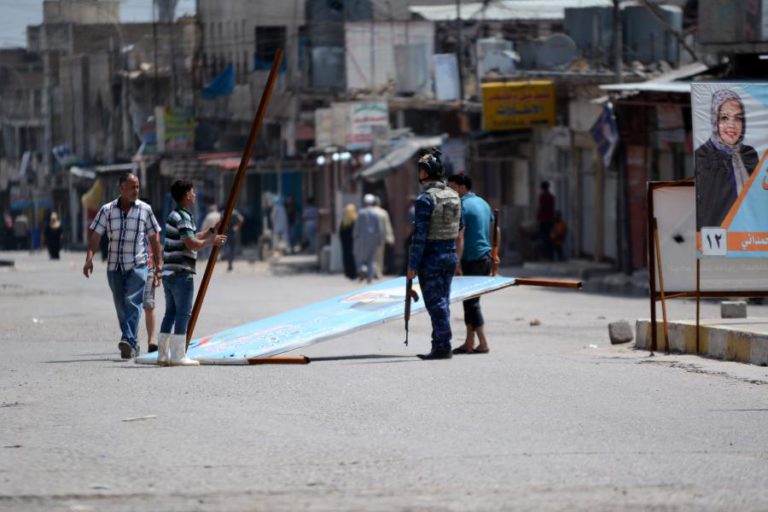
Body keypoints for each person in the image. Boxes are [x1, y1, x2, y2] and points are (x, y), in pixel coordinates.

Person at [83, 173, 162, 359]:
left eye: (137, 187)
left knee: (133, 301)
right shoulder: (107, 210)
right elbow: (95, 235)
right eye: (132, 187)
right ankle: (132, 343)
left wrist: (158, 264)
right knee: (121, 306)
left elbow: (154, 238)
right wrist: (89, 258)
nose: (136, 191)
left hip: (138, 265)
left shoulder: (145, 210)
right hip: (114, 267)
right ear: (121, 188)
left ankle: (127, 339)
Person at [157, 179, 226, 366]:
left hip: (169, 273)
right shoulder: (184, 217)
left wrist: (211, 231)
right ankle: (178, 355)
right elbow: (191, 243)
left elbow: (193, 236)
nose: (195, 195)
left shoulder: (176, 215)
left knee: (170, 313)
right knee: (182, 313)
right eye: (193, 192)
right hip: (181, 272)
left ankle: (162, 354)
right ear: (187, 195)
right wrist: (212, 241)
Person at [407, 148, 461, 360]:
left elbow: (419, 236)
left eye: (421, 170)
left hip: (431, 258)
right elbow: (460, 225)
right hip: (449, 254)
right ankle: (438, 343)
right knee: (443, 301)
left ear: (429, 172)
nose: (419, 174)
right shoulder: (454, 196)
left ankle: (443, 345)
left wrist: (412, 265)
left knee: (434, 303)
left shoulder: (425, 200)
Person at [447, 174, 498, 355]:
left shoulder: (462, 205)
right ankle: (469, 342)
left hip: (471, 259)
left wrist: (456, 262)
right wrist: (495, 253)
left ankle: (483, 342)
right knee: (469, 301)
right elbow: (495, 228)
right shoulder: (483, 203)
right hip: (485, 257)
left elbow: (459, 237)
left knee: (472, 302)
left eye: (452, 187)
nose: (450, 190)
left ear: (462, 187)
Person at [695, 89, 758, 229]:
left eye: (738, 118)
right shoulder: (703, 156)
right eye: (724, 118)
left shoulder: (749, 154)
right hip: (720, 235)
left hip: (751, 232)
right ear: (714, 120)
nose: (732, 125)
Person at [353, 194, 384, 283]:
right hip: (373, 239)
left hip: (362, 239)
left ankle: (362, 271)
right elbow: (379, 227)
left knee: (361, 258)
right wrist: (380, 239)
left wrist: (355, 236)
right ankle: (370, 278)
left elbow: (357, 226)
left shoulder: (361, 213)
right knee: (372, 259)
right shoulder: (375, 214)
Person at [371, 195, 395, 278]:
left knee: (371, 256)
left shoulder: (369, 212)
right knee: (379, 256)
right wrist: (390, 237)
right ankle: (378, 272)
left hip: (370, 238)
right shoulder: (383, 212)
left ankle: (372, 271)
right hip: (380, 238)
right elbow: (387, 226)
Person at [537, 181, 556, 260]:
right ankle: (551, 255)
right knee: (550, 238)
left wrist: (538, 218)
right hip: (550, 219)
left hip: (544, 220)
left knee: (544, 238)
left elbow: (541, 208)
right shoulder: (551, 197)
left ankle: (547, 256)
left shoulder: (542, 196)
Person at [339, 203, 358, 280]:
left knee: (346, 256)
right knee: (354, 257)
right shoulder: (356, 220)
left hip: (345, 243)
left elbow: (341, 233)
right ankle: (354, 272)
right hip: (354, 242)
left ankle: (348, 272)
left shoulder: (344, 222)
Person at [222, 207, 244, 271]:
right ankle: (230, 264)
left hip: (227, 233)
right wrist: (237, 227)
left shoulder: (224, 213)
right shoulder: (235, 212)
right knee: (231, 250)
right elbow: (241, 219)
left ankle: (229, 263)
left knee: (228, 248)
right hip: (232, 233)